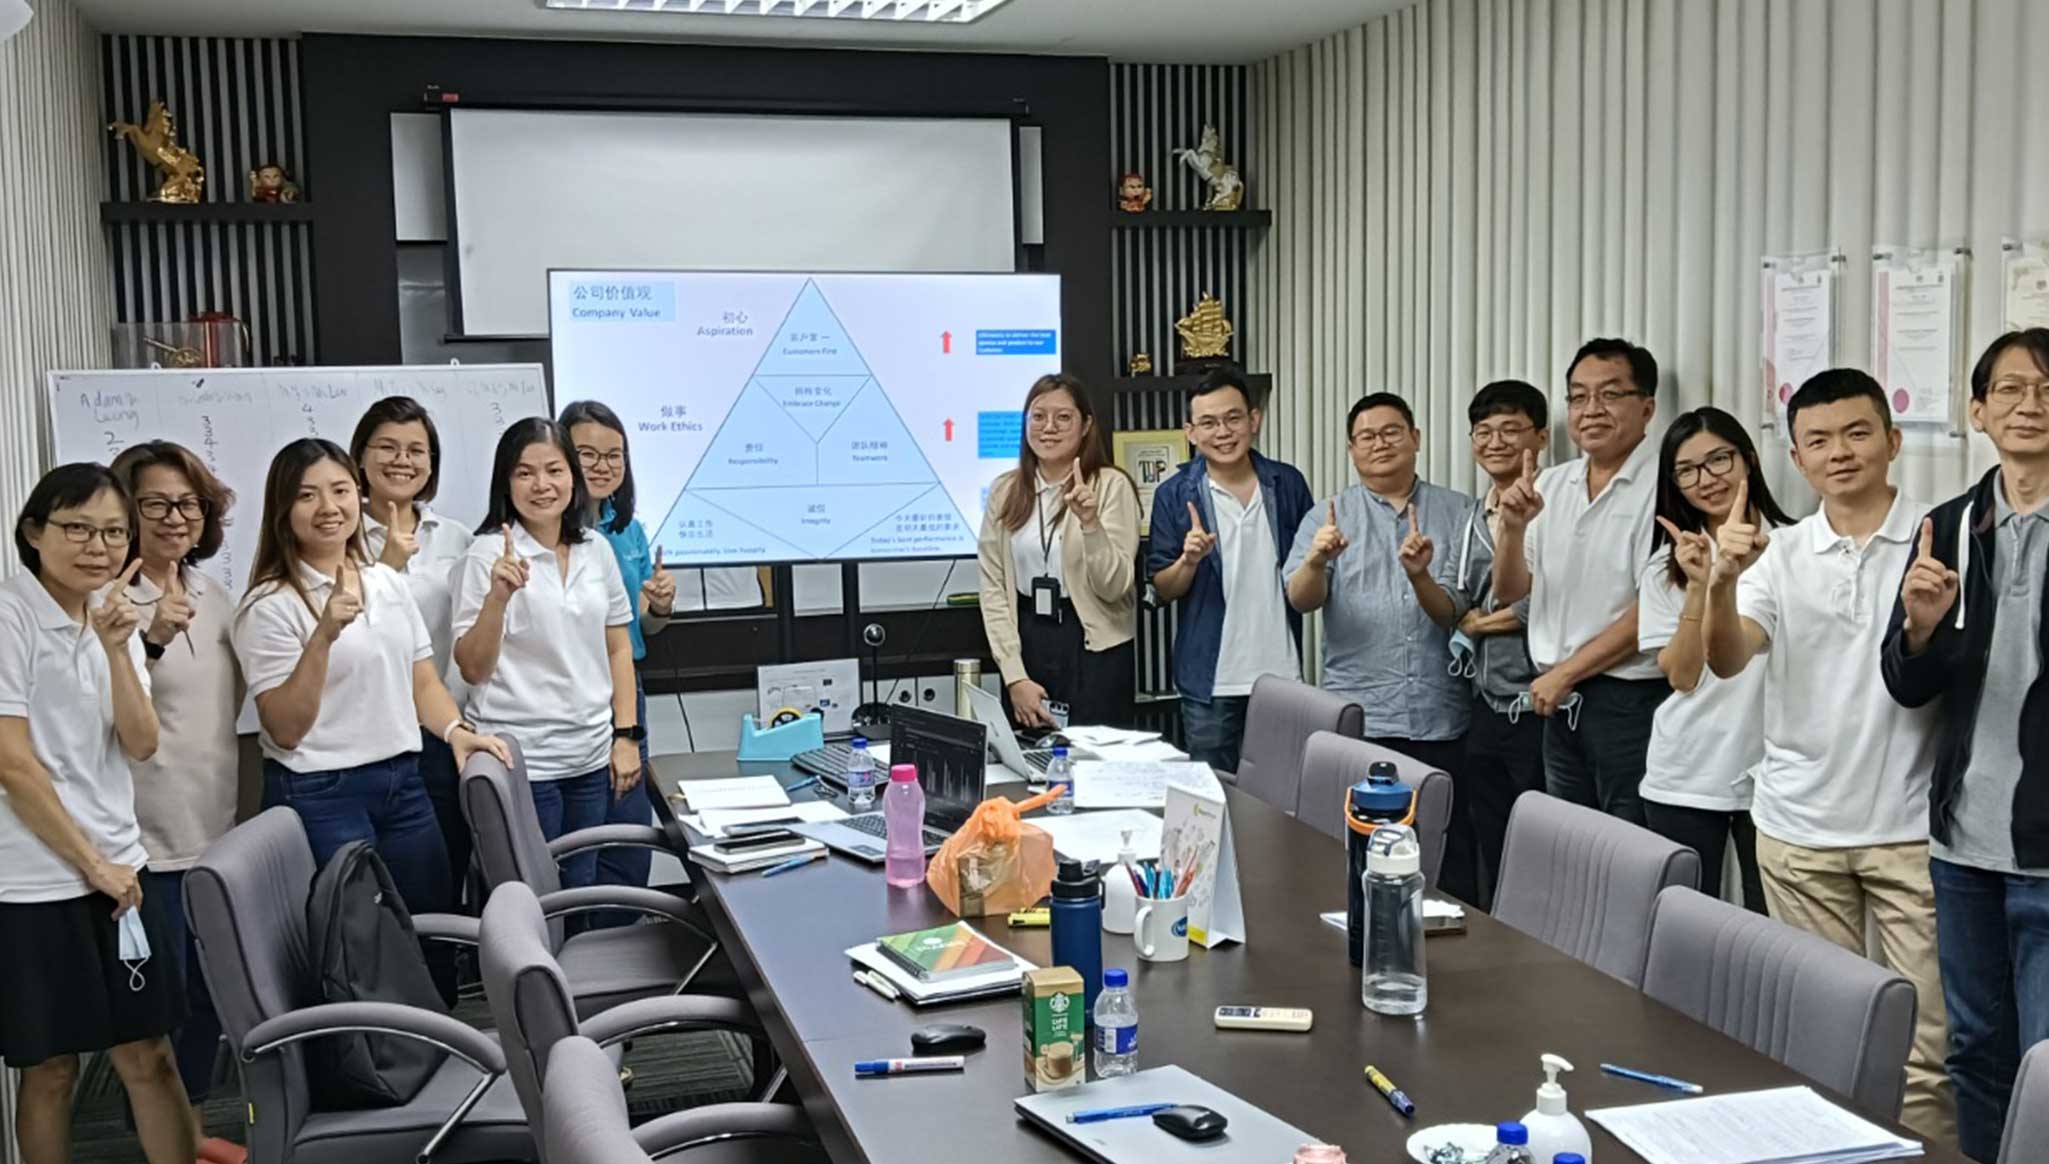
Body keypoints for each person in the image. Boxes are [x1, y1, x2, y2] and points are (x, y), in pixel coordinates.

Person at [1701, 369, 1953, 1142]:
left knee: (1926, 1052)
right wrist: (1719, 582)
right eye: (1817, 440)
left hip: (1911, 829)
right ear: (1796, 458)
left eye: (1855, 433)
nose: (1838, 452)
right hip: (1798, 832)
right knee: (1822, 1036)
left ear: (1892, 440)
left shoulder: (1941, 536)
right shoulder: (1777, 554)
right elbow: (1726, 657)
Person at [1881, 328, 2049, 1163]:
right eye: (2009, 389)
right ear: (1976, 411)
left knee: (2045, 1069)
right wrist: (1918, 629)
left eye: (2047, 389)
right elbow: (1905, 683)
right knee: (1974, 1051)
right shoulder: (1946, 528)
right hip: (1962, 846)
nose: (2030, 405)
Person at [0, 464, 194, 1164]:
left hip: (121, 868)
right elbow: (11, 763)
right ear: (34, 532)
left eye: (113, 532)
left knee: (150, 1055)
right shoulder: (10, 616)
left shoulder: (112, 615)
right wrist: (92, 864)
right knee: (51, 1070)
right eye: (78, 528)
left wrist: (118, 649)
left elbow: (141, 742)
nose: (98, 546)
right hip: (36, 882)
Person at [231, 440, 508, 920]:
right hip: (321, 792)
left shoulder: (386, 581)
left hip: (404, 782)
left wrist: (456, 732)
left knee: (431, 927)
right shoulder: (268, 605)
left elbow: (423, 683)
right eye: (307, 495)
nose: (328, 507)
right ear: (282, 509)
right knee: (356, 943)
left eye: (340, 490)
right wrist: (323, 636)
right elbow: (284, 729)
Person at [1284, 392, 1485, 904]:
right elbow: (1300, 599)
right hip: (1364, 716)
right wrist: (1316, 561)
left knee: (1446, 853)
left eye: (1392, 432)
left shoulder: (1460, 511)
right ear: (1351, 449)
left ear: (1415, 438)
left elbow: (1462, 607)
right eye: (1367, 437)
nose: (1380, 444)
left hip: (1441, 713)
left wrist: (1420, 576)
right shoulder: (1328, 516)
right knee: (1361, 851)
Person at [109, 443, 243, 1162]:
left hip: (215, 828)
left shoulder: (214, 595)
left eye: (188, 503)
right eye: (155, 503)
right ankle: (166, 1142)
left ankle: (190, 1132)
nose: (174, 517)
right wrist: (152, 640)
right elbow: (103, 720)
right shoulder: (107, 606)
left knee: (210, 998)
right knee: (159, 1007)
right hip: (145, 841)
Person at [453, 419, 641, 893]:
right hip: (521, 761)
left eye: (554, 470)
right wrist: (497, 598)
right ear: (506, 482)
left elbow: (618, 647)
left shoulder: (595, 549)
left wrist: (625, 736)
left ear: (572, 477)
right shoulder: (485, 555)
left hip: (590, 756)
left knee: (582, 887)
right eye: (525, 472)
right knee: (530, 897)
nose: (542, 485)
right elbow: (472, 668)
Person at [1490, 338, 1666, 826]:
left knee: (1628, 845)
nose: (1591, 410)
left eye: (1610, 394)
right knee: (1571, 844)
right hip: (1558, 699)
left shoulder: (1668, 486)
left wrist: (1566, 674)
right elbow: (1510, 591)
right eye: (1579, 396)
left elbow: (1654, 609)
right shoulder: (1550, 484)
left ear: (1647, 407)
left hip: (1627, 701)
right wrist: (1513, 529)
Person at [1638, 408, 1783, 915]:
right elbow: (1682, 676)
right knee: (1686, 919)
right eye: (1687, 470)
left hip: (1777, 774)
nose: (1706, 479)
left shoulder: (1795, 546)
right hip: (1689, 769)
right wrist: (1700, 585)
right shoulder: (1668, 566)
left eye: (1719, 460)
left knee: (1771, 927)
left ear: (1748, 459)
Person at [1144, 366, 1315, 772]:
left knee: (1279, 794)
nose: (1222, 432)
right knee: (1212, 797)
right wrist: (1188, 561)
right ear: (1190, 432)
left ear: (1254, 420)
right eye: (1208, 423)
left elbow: (1305, 578)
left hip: (1281, 674)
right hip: (1211, 681)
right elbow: (1164, 588)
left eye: (1232, 418)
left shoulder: (1287, 483)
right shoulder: (1174, 494)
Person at [349, 396, 476, 903]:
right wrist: (386, 564)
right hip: (370, 738)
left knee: (443, 882)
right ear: (360, 456)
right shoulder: (339, 534)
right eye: (387, 447)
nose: (402, 460)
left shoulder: (456, 538)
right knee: (372, 900)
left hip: (443, 732)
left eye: (416, 450)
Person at [562, 399, 675, 922]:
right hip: (572, 700)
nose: (603, 466)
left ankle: (623, 946)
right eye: (588, 454)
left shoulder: (628, 529)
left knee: (629, 836)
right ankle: (577, 954)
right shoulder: (548, 533)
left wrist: (661, 607)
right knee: (578, 848)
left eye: (615, 455)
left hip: (627, 693)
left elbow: (638, 630)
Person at [979, 374, 1140, 730]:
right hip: (1029, 640)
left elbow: (1115, 587)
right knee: (1029, 757)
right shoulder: (1005, 490)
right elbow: (993, 588)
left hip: (1094, 647)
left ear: (1086, 426)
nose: (1048, 427)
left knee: (1095, 758)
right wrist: (1014, 676)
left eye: (1063, 417)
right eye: (1038, 416)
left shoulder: (1111, 486)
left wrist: (1091, 524)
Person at [1455, 381, 1550, 909]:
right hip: (1487, 700)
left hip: (1540, 703)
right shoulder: (1475, 513)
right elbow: (1459, 594)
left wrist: (1481, 625)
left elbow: (1552, 602)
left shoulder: (1556, 504)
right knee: (1490, 831)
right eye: (1483, 431)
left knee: (1542, 842)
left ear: (1541, 436)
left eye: (1510, 429)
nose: (1495, 442)